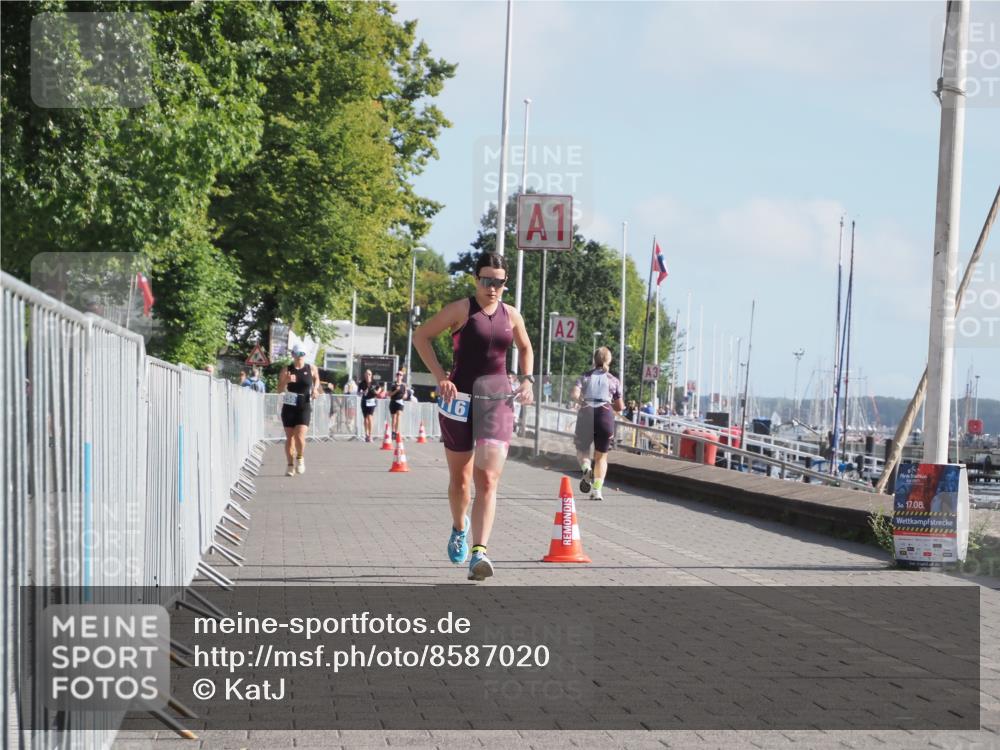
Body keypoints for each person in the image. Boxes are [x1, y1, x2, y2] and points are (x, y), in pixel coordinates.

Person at [412, 251, 534, 581]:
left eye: (499, 282)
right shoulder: (461, 310)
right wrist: (441, 377)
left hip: (497, 402)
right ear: (475, 279)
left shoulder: (512, 315)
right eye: (486, 280)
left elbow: (525, 347)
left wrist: (527, 380)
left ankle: (479, 553)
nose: (492, 287)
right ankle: (459, 527)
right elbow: (421, 336)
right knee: (461, 481)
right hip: (460, 401)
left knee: (489, 479)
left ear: (505, 283)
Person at [570, 347, 625, 501]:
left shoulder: (585, 376)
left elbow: (574, 394)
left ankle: (586, 469)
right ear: (609, 361)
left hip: (586, 412)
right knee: (601, 457)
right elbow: (620, 406)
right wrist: (611, 405)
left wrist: (581, 401)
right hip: (605, 414)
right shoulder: (614, 380)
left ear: (594, 360)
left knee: (582, 450)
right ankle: (597, 490)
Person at [277, 346, 321, 476]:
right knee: (290, 437)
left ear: (305, 355)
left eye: (302, 353)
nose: (299, 356)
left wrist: (315, 389)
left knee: (300, 436)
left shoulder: (311, 368)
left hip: (304, 405)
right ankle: (290, 465)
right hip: (289, 406)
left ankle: (300, 457)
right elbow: (279, 390)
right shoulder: (286, 370)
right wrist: (286, 381)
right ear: (293, 355)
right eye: (297, 353)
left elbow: (316, 379)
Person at [357, 369, 383, 442]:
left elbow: (380, 388)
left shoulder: (374, 382)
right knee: (365, 418)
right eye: (367, 374)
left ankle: (370, 435)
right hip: (364, 401)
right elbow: (358, 393)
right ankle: (366, 434)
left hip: (371, 401)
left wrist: (377, 392)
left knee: (370, 417)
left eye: (369, 374)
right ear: (364, 375)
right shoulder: (362, 383)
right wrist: (362, 393)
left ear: (371, 375)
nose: (368, 375)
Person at [388, 369, 410, 440]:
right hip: (393, 401)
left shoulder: (404, 385)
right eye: (397, 374)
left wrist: (405, 396)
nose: (399, 376)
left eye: (400, 375)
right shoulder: (393, 384)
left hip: (400, 402)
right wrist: (396, 390)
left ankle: (397, 432)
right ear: (396, 376)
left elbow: (406, 394)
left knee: (399, 416)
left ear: (402, 377)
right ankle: (393, 432)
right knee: (394, 418)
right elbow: (389, 394)